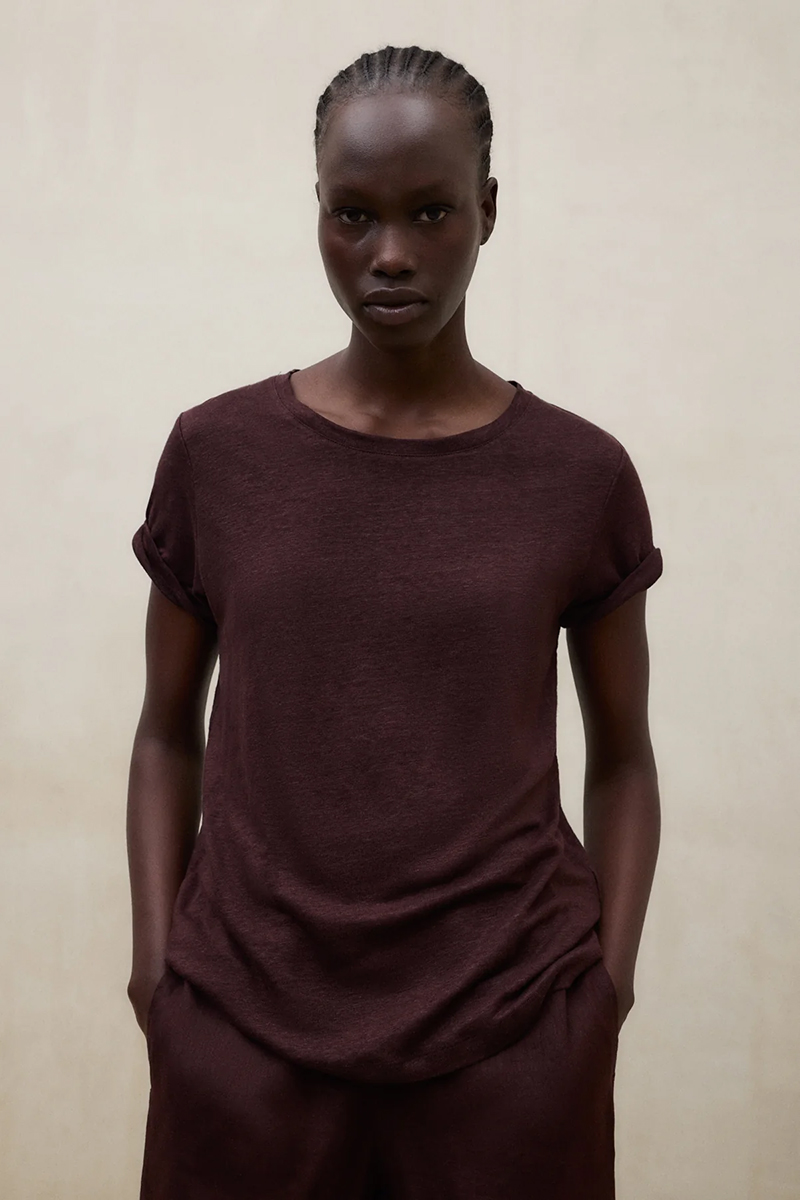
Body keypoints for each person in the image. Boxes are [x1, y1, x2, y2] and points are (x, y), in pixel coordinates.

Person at [127, 43, 662, 1200]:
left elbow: (622, 757)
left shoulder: (578, 476)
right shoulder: (217, 456)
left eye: (429, 211)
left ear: (487, 209)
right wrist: (156, 974)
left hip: (511, 1036)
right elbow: (165, 731)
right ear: (316, 211)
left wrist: (603, 988)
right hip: (242, 1033)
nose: (389, 254)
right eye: (352, 214)